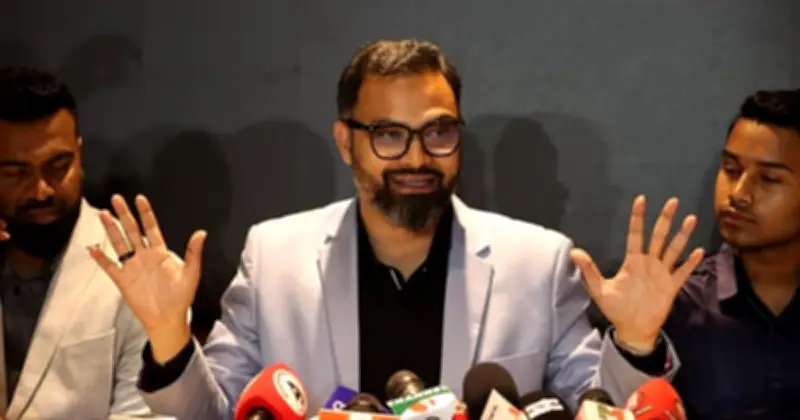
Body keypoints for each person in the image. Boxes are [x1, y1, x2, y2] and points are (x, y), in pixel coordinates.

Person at [88, 40, 703, 419]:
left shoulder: (536, 263)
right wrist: (168, 335)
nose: (416, 157)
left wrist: (636, 341)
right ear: (345, 142)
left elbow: (602, 408)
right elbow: (212, 414)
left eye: (438, 132)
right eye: (388, 135)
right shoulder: (274, 256)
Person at [0, 67, 149, 419]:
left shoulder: (136, 266)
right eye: (16, 172)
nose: (41, 191)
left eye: (58, 166)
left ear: (79, 156)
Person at [662, 89, 800, 419]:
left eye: (769, 179)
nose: (738, 194)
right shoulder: (676, 300)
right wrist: (632, 342)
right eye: (731, 169)